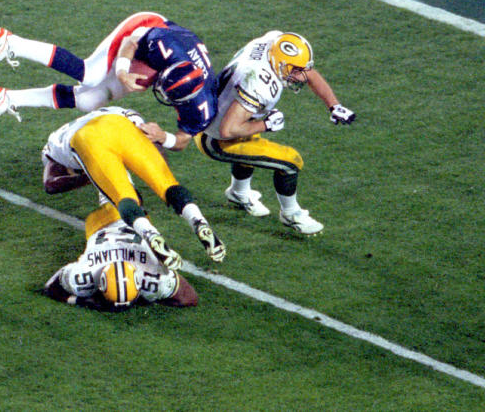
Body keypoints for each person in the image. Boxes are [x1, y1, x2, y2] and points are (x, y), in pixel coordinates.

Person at [195, 31, 356, 235]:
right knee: (290, 161)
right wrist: (266, 124)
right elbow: (229, 129)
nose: (300, 76)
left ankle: (238, 193)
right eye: (295, 71)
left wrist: (334, 106)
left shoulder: (273, 43)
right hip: (216, 137)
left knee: (251, 143)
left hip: (217, 115)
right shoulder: (258, 83)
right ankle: (291, 214)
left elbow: (308, 72)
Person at [0, 13, 218, 146]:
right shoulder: (167, 46)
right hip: (145, 28)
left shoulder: (202, 107)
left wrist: (163, 137)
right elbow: (131, 42)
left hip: (155, 62)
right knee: (91, 74)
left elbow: (183, 140)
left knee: (89, 101)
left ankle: (8, 98)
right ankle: (10, 42)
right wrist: (122, 71)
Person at [39, 106, 226, 265]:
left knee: (125, 197)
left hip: (87, 138)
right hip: (121, 123)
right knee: (167, 183)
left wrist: (90, 176)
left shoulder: (54, 142)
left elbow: (51, 184)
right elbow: (152, 140)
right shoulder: (120, 111)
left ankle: (151, 234)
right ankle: (197, 220)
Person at [42, 203, 199, 311]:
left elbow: (51, 287)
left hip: (106, 224)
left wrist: (81, 301)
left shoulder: (84, 277)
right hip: (109, 224)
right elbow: (189, 297)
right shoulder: (154, 281)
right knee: (122, 189)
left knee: (118, 189)